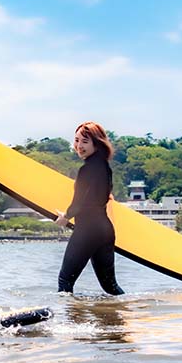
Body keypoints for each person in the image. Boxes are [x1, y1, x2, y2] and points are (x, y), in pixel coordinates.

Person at [55, 122, 124, 295]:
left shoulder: (87, 169)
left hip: (87, 230)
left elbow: (79, 201)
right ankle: (126, 315)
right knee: (110, 287)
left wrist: (66, 216)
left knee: (65, 281)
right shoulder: (105, 167)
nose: (79, 146)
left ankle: (67, 322)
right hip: (105, 230)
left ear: (97, 143)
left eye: (85, 141)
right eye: (77, 140)